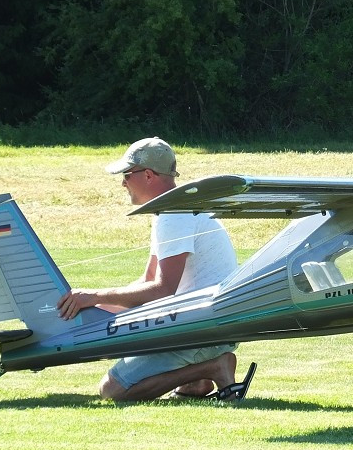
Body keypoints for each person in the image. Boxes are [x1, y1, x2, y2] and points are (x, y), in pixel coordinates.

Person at [56, 137, 254, 402]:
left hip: (200, 332)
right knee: (190, 390)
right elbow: (148, 280)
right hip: (207, 327)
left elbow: (163, 290)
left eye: (127, 174)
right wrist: (90, 308)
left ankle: (213, 366)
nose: (123, 182)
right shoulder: (172, 209)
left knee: (111, 390)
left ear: (148, 175)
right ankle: (198, 377)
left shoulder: (175, 214)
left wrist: (95, 295)